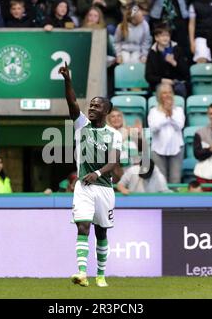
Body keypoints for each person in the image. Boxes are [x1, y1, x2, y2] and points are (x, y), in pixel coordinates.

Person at [58, 62, 122, 288]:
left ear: (106, 111)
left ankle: (101, 275)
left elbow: (114, 161)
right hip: (83, 188)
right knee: (82, 225)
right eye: (91, 105)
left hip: (104, 188)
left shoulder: (114, 134)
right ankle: (82, 273)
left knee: (101, 232)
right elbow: (72, 102)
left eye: (96, 106)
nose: (91, 108)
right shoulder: (81, 126)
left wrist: (97, 172)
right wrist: (67, 80)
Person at [147, 83, 185, 184]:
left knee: (175, 179)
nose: (167, 95)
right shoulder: (153, 111)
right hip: (158, 150)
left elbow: (180, 126)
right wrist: (166, 116)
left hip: (177, 148)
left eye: (169, 92)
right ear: (159, 95)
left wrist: (170, 114)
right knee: (160, 180)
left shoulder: (179, 110)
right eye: (164, 93)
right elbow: (153, 128)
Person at [145, 26, 189, 97]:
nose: (165, 38)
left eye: (167, 35)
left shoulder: (177, 49)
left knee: (180, 88)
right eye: (162, 36)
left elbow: (186, 73)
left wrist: (174, 63)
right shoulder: (152, 53)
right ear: (156, 38)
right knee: (163, 90)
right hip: (159, 83)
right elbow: (148, 76)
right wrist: (162, 80)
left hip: (176, 83)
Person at [188, 0, 212, 64]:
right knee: (201, 60)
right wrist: (192, 42)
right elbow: (191, 24)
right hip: (201, 37)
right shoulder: (194, 5)